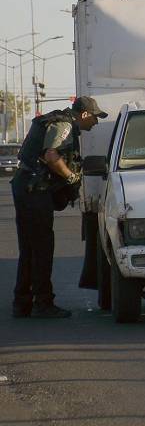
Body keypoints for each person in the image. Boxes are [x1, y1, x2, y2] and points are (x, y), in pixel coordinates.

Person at [11, 96, 106, 319]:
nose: (96, 122)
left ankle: (22, 302)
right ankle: (43, 303)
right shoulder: (64, 125)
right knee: (42, 247)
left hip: (25, 186)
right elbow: (51, 156)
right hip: (35, 190)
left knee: (29, 248)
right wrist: (72, 177)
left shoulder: (58, 121)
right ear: (83, 114)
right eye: (95, 117)